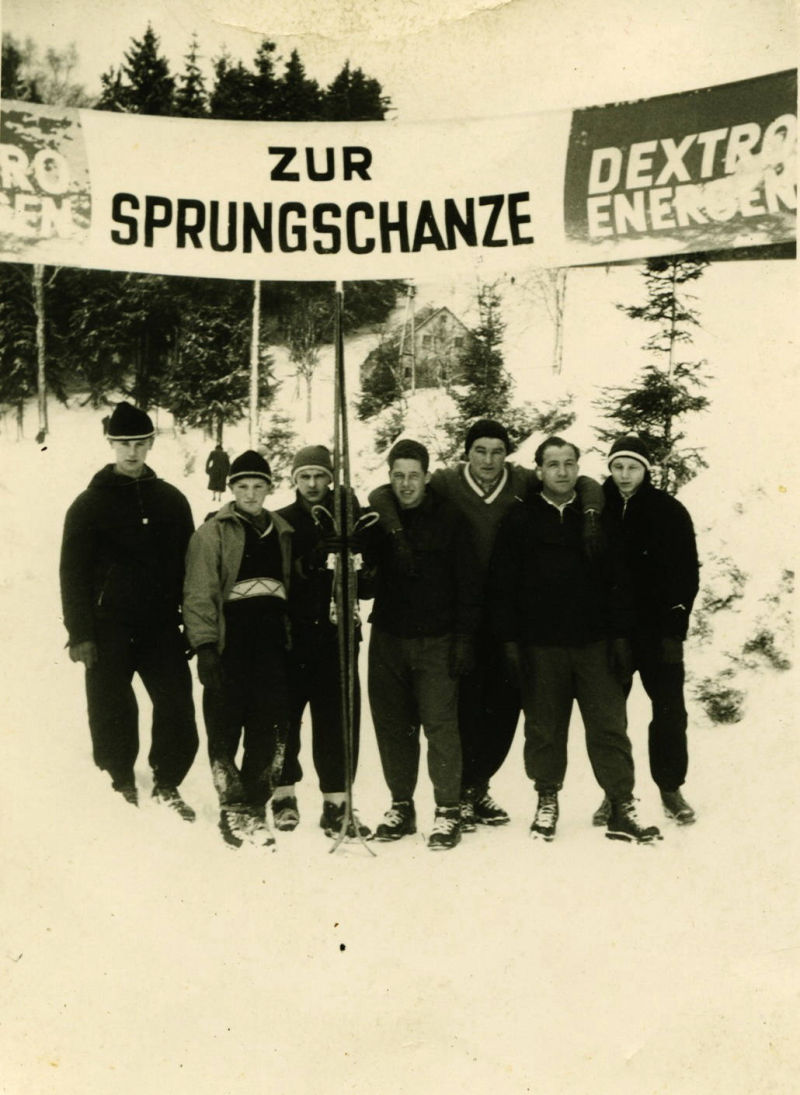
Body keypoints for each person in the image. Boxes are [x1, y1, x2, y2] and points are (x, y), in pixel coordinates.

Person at [369, 418, 604, 831]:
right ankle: (460, 790)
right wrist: (395, 532)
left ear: (507, 455)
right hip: (459, 609)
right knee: (460, 704)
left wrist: (589, 514)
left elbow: (581, 482)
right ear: (467, 454)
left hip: (506, 610)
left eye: (497, 451)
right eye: (480, 451)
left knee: (506, 704)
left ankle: (478, 786)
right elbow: (383, 493)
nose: (489, 460)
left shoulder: (522, 479)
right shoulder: (446, 482)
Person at [488, 436, 661, 844]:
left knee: (609, 727)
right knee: (544, 729)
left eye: (569, 463)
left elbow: (619, 581)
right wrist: (509, 641)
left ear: (578, 468)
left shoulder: (597, 517)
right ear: (539, 471)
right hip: (541, 646)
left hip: (594, 644)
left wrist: (621, 636)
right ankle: (546, 799)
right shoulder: (520, 518)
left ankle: (621, 804)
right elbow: (502, 586)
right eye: (553, 464)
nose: (562, 471)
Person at [59, 401, 198, 817]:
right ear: (111, 445)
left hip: (160, 626)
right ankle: (119, 780)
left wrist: (193, 626)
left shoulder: (172, 501)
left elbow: (190, 569)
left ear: (151, 443)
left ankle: (168, 782)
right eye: (123, 444)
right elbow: (72, 573)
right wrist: (80, 634)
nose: (132, 452)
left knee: (176, 704)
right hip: (108, 627)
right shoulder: (88, 504)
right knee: (111, 707)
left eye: (139, 443)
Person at [368, 439, 482, 851]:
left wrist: (464, 637)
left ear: (427, 477)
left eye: (413, 475)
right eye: (398, 476)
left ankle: (448, 809)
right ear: (390, 477)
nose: (406, 484)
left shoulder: (450, 518)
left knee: (440, 726)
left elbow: (468, 584)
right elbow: (364, 578)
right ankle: (401, 804)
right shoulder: (378, 519)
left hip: (437, 639)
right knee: (392, 727)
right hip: (388, 637)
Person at [183, 449, 294, 849]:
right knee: (225, 727)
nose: (250, 494)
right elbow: (199, 593)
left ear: (269, 488)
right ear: (231, 489)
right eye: (242, 486)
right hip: (231, 645)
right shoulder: (212, 533)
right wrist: (205, 647)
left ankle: (255, 806)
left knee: (269, 727)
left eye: (258, 486)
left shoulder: (281, 532)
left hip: (271, 646)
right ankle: (232, 809)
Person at [591, 436, 700, 827]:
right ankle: (614, 793)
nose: (624, 475)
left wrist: (674, 629)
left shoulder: (669, 511)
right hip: (612, 634)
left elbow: (687, 573)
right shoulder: (596, 508)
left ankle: (670, 788)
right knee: (609, 718)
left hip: (657, 633)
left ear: (646, 470)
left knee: (670, 711)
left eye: (632, 467)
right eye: (618, 467)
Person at [272, 444, 371, 839]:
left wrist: (356, 555)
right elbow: (279, 576)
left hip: (337, 636)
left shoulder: (348, 517)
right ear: (294, 480)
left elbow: (367, 583)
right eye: (305, 477)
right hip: (294, 636)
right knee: (285, 717)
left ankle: (337, 804)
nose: (312, 484)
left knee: (337, 720)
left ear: (330, 478)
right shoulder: (282, 520)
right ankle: (283, 794)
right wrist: (312, 560)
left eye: (320, 476)